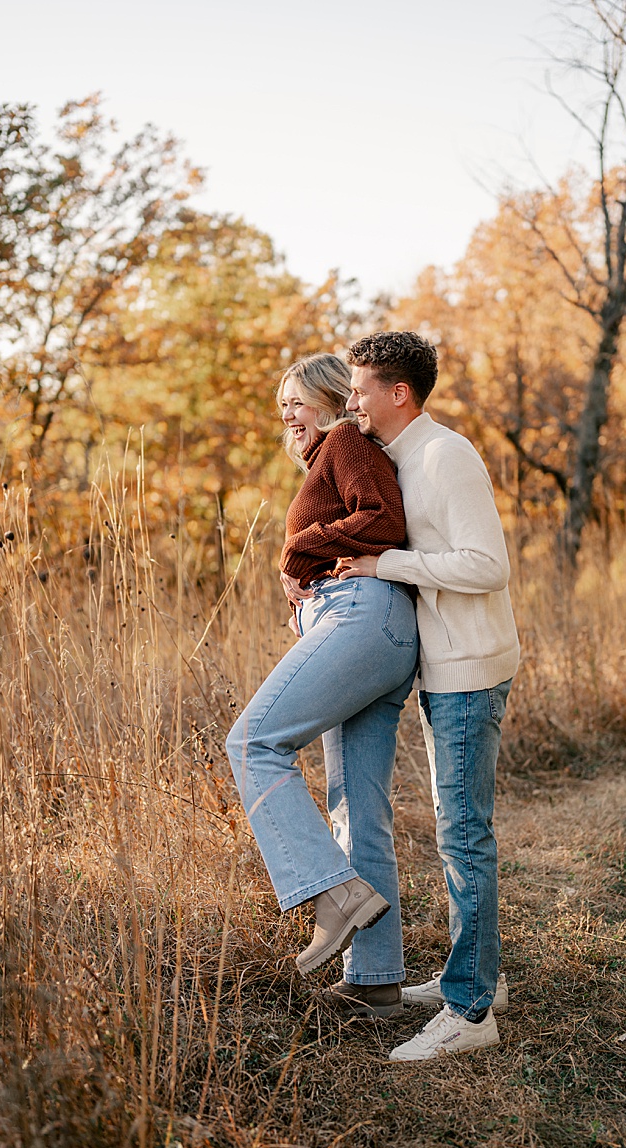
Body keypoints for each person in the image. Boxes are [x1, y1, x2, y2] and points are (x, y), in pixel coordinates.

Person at [337, 330, 520, 1061]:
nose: (352, 401)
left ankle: (470, 1013)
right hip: (443, 665)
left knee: (462, 835)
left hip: (469, 668)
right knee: (458, 829)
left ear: (397, 392)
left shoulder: (446, 455)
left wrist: (387, 565)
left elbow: (487, 565)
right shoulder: (395, 457)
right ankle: (483, 978)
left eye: (359, 389)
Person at [225, 352, 418, 1012]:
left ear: (333, 401)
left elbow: (383, 518)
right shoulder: (330, 457)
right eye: (282, 403)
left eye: (299, 400)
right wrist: (304, 578)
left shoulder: (344, 440)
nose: (287, 412)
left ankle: (330, 892)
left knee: (252, 743)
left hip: (363, 623)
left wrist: (296, 550)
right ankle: (376, 982)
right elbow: (355, 530)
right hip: (372, 632)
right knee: (357, 812)